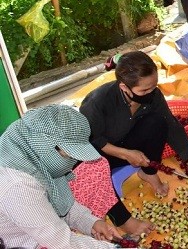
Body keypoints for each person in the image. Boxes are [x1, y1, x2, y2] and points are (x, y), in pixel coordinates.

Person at [80, 51, 188, 236]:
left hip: (127, 140)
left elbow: (172, 126)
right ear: (124, 87)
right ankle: (124, 221)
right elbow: (91, 141)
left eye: (154, 87)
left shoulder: (153, 95)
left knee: (157, 122)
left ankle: (148, 173)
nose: (151, 93)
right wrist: (126, 154)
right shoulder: (98, 102)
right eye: (144, 90)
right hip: (99, 151)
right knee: (92, 172)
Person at [0, 105, 122, 248]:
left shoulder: (32, 155)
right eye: (69, 156)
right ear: (47, 146)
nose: (71, 165)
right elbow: (62, 244)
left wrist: (91, 223)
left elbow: (62, 203)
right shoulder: (18, 186)